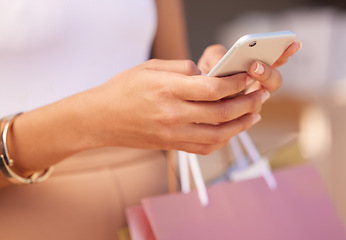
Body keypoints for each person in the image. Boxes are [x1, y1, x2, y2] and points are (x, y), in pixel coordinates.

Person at [0, 0, 301, 239]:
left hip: (156, 210)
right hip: (26, 220)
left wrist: (211, 89)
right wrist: (97, 119)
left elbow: (170, 67)